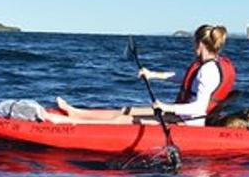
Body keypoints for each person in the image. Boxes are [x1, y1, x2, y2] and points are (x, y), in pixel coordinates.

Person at [49, 24, 236, 127]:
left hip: (188, 122)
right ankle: (77, 113)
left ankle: (67, 122)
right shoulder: (205, 66)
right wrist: (152, 74)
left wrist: (165, 107)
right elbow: (183, 76)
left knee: (123, 120)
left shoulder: (209, 70)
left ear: (200, 43)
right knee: (126, 110)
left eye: (194, 41)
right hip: (181, 115)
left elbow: (199, 107)